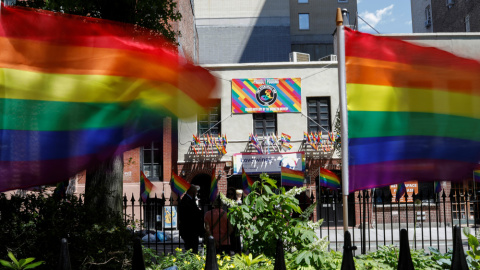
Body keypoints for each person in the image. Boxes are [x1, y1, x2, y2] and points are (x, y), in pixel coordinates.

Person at [178, 185, 204, 253]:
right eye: (196, 192)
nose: (197, 194)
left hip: (191, 230)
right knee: (191, 249)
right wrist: (199, 212)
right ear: (192, 192)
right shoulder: (186, 200)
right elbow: (192, 214)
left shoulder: (189, 199)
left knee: (192, 248)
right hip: (189, 230)